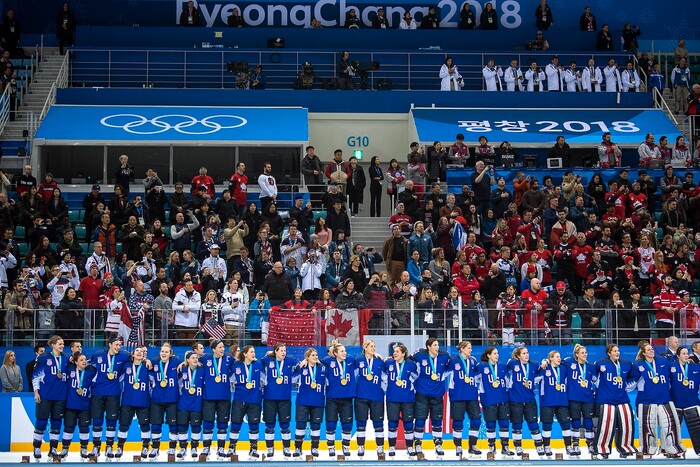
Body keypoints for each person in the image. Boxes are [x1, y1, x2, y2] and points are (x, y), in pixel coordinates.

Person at [633, 342, 685, 458]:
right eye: (648, 350)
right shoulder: (638, 365)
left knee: (669, 426)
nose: (651, 351)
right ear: (643, 353)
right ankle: (648, 450)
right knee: (648, 427)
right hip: (646, 401)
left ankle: (671, 449)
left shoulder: (663, 361)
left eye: (652, 349)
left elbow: (674, 371)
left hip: (664, 399)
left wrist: (685, 362)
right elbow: (632, 383)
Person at [593, 344, 636, 459]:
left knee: (627, 424)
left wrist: (627, 386)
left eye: (618, 351)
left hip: (622, 398)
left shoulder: (626, 364)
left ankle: (625, 447)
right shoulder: (600, 363)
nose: (617, 353)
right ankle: (603, 449)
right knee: (606, 425)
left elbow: (633, 377)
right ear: (609, 353)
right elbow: (593, 376)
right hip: (605, 399)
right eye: (615, 351)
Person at [31, 335, 69, 461]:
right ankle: (37, 447)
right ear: (52, 345)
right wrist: (36, 392)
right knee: (41, 421)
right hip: (45, 395)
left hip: (60, 396)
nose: (62, 346)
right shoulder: (43, 358)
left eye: (63, 344)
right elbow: (36, 376)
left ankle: (53, 448)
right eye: (59, 344)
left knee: (56, 422)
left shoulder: (66, 359)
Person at [410, 338, 449, 457]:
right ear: (428, 347)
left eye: (438, 345)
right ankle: (417, 443)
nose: (438, 347)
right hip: (422, 392)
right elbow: (406, 359)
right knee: (420, 419)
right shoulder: (419, 354)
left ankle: (438, 443)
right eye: (435, 345)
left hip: (437, 393)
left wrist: (442, 375)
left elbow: (451, 366)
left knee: (437, 420)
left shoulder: (444, 355)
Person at [506, 346, 545, 456]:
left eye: (527, 353)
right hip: (515, 400)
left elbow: (539, 374)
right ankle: (518, 446)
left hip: (530, 400)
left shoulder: (534, 364)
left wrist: (544, 364)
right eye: (523, 353)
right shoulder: (513, 364)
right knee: (517, 424)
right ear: (518, 356)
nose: (526, 355)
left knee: (533, 424)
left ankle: (538, 446)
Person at [199, 340, 235, 459]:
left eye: (223, 347)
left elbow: (239, 366)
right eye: (220, 347)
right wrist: (182, 363)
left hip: (224, 397)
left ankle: (221, 448)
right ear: (214, 349)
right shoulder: (206, 358)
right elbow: (192, 360)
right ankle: (206, 448)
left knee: (222, 424)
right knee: (208, 423)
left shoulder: (229, 358)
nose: (222, 349)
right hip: (209, 396)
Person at [321, 340, 356, 457]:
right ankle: (331, 447)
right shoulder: (327, 361)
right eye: (342, 351)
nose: (345, 353)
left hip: (347, 398)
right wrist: (333, 348)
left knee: (347, 423)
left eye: (345, 351)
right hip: (332, 398)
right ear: (335, 353)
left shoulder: (350, 360)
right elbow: (316, 360)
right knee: (331, 423)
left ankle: (346, 446)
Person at [260, 343, 296, 458]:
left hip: (285, 398)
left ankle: (286, 448)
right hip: (269, 398)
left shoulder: (290, 360)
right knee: (269, 425)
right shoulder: (267, 360)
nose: (284, 352)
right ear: (275, 351)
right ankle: (270, 448)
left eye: (285, 350)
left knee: (285, 425)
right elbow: (257, 366)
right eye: (281, 350)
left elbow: (299, 368)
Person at [476, 347, 512, 457]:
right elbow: (475, 380)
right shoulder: (481, 366)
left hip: (503, 400)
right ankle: (491, 447)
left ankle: (505, 447)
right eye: (494, 353)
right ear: (488, 355)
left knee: (504, 424)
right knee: (490, 424)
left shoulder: (502, 367)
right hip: (489, 400)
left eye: (497, 353)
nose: (497, 355)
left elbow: (508, 381)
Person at [292, 348, 328, 458]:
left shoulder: (322, 368)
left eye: (316, 355)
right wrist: (298, 366)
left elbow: (330, 381)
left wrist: (321, 361)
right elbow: (292, 379)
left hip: (318, 401)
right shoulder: (302, 367)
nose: (315, 357)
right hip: (303, 401)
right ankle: (298, 448)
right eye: (313, 355)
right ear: (307, 357)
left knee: (315, 426)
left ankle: (314, 448)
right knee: (300, 425)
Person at [229, 346, 263, 459]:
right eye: (251, 352)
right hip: (240, 399)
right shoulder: (236, 365)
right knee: (235, 424)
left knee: (254, 425)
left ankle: (253, 449)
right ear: (245, 354)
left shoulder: (258, 364)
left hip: (255, 400)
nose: (254, 354)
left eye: (254, 351)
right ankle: (232, 447)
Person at [61, 351, 96, 460]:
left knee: (84, 427)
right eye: (81, 360)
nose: (84, 361)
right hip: (71, 405)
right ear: (75, 362)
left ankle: (84, 448)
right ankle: (65, 449)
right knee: (68, 427)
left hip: (85, 405)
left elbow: (98, 363)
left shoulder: (91, 371)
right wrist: (71, 358)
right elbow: (64, 359)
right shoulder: (70, 369)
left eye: (85, 360)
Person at [148, 343, 181, 459]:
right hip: (157, 399)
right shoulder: (155, 362)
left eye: (166, 352)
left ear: (170, 354)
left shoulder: (176, 361)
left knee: (173, 424)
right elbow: (150, 376)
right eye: (162, 351)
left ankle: (172, 447)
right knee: (156, 424)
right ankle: (155, 448)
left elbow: (183, 373)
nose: (164, 353)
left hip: (172, 399)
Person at [538, 351, 573, 456]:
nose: (559, 359)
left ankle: (568, 446)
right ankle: (547, 446)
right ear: (551, 358)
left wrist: (547, 360)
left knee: (566, 425)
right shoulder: (544, 369)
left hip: (562, 401)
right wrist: (545, 361)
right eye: (557, 357)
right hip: (547, 402)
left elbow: (569, 361)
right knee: (547, 425)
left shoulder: (563, 369)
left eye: (560, 357)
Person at [354, 340, 385, 457]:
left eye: (374, 346)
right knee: (361, 423)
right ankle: (361, 447)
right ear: (365, 347)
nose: (374, 348)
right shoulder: (358, 360)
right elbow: (352, 374)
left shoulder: (379, 361)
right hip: (361, 396)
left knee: (378, 423)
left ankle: (380, 447)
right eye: (371, 346)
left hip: (377, 396)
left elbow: (385, 376)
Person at [566, 344, 596, 456]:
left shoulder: (591, 367)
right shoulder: (569, 363)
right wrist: (545, 361)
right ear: (577, 354)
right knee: (576, 421)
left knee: (588, 421)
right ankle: (576, 444)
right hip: (574, 398)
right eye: (582, 353)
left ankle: (590, 445)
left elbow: (596, 380)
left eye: (586, 353)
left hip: (588, 398)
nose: (585, 355)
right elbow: (556, 362)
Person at [176, 350, 205, 460]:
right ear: (187, 360)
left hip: (197, 403)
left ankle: (194, 448)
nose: (195, 359)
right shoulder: (182, 369)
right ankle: (183, 448)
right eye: (192, 358)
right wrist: (181, 364)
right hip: (184, 403)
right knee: (182, 426)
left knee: (196, 427)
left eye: (196, 357)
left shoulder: (202, 369)